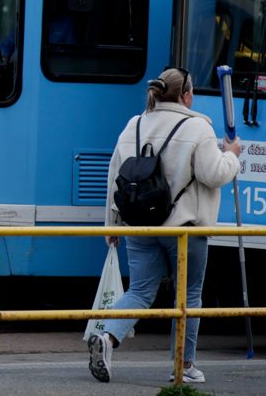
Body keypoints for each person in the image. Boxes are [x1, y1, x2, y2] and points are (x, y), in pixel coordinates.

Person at [87, 67, 241, 386]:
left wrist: (111, 224)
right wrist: (232, 156)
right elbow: (213, 175)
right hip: (184, 230)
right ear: (186, 95)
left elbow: (114, 176)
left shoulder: (135, 124)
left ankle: (108, 337)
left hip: (139, 225)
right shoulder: (197, 127)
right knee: (188, 296)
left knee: (141, 290)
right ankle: (182, 365)